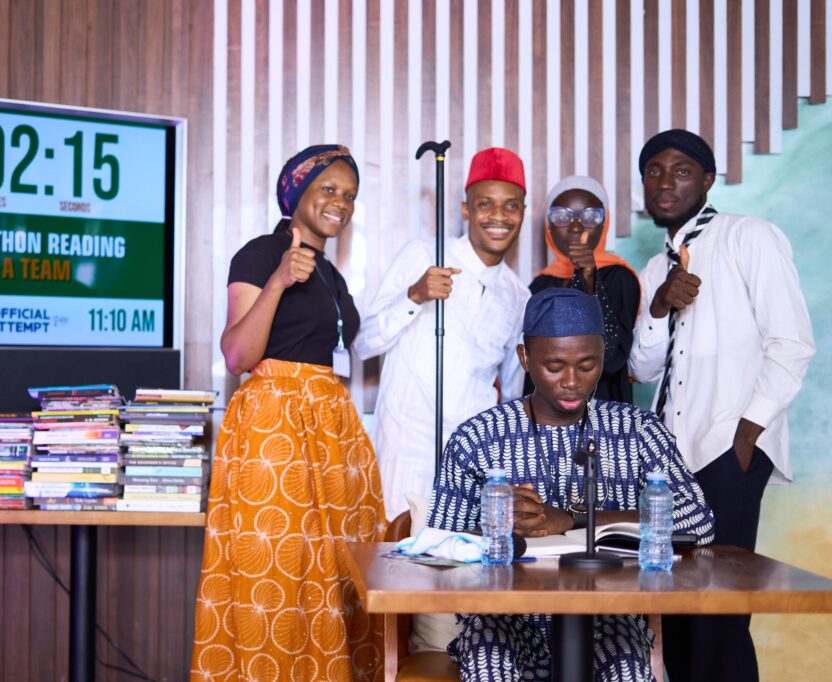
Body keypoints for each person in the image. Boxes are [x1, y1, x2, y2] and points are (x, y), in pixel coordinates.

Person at [427, 287, 716, 682]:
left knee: (629, 669)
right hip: (504, 620)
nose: (572, 382)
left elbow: (698, 523)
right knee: (488, 664)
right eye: (555, 366)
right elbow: (437, 549)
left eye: (587, 365)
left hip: (608, 618)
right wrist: (495, 526)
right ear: (525, 358)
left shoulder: (636, 430)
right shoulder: (478, 437)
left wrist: (573, 519)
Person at [190, 145, 386, 682]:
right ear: (296, 193)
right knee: (276, 577)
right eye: (328, 190)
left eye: (349, 196)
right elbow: (237, 356)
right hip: (275, 428)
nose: (340, 204)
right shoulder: (260, 255)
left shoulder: (332, 276)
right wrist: (278, 280)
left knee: (334, 576)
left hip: (330, 431)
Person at [628, 129, 815, 682]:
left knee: (721, 614)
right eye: (654, 171)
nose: (665, 182)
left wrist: (744, 438)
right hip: (670, 467)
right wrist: (659, 306)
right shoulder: (653, 270)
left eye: (681, 170)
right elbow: (641, 368)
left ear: (708, 180)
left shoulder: (749, 237)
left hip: (726, 453)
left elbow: (792, 344)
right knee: (676, 612)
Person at [354, 147, 530, 519]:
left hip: (471, 459)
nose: (499, 216)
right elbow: (363, 343)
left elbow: (512, 390)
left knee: (460, 570)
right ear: (466, 209)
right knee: (397, 567)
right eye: (486, 204)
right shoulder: (422, 255)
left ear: (523, 214)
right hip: (406, 450)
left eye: (511, 206)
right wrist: (415, 296)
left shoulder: (519, 295)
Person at [525, 176, 640, 403]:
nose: (576, 226)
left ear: (605, 224)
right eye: (562, 216)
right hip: (546, 420)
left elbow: (611, 357)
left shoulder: (620, 278)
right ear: (548, 225)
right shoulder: (540, 284)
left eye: (590, 217)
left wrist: (589, 279)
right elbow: (532, 368)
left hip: (604, 414)